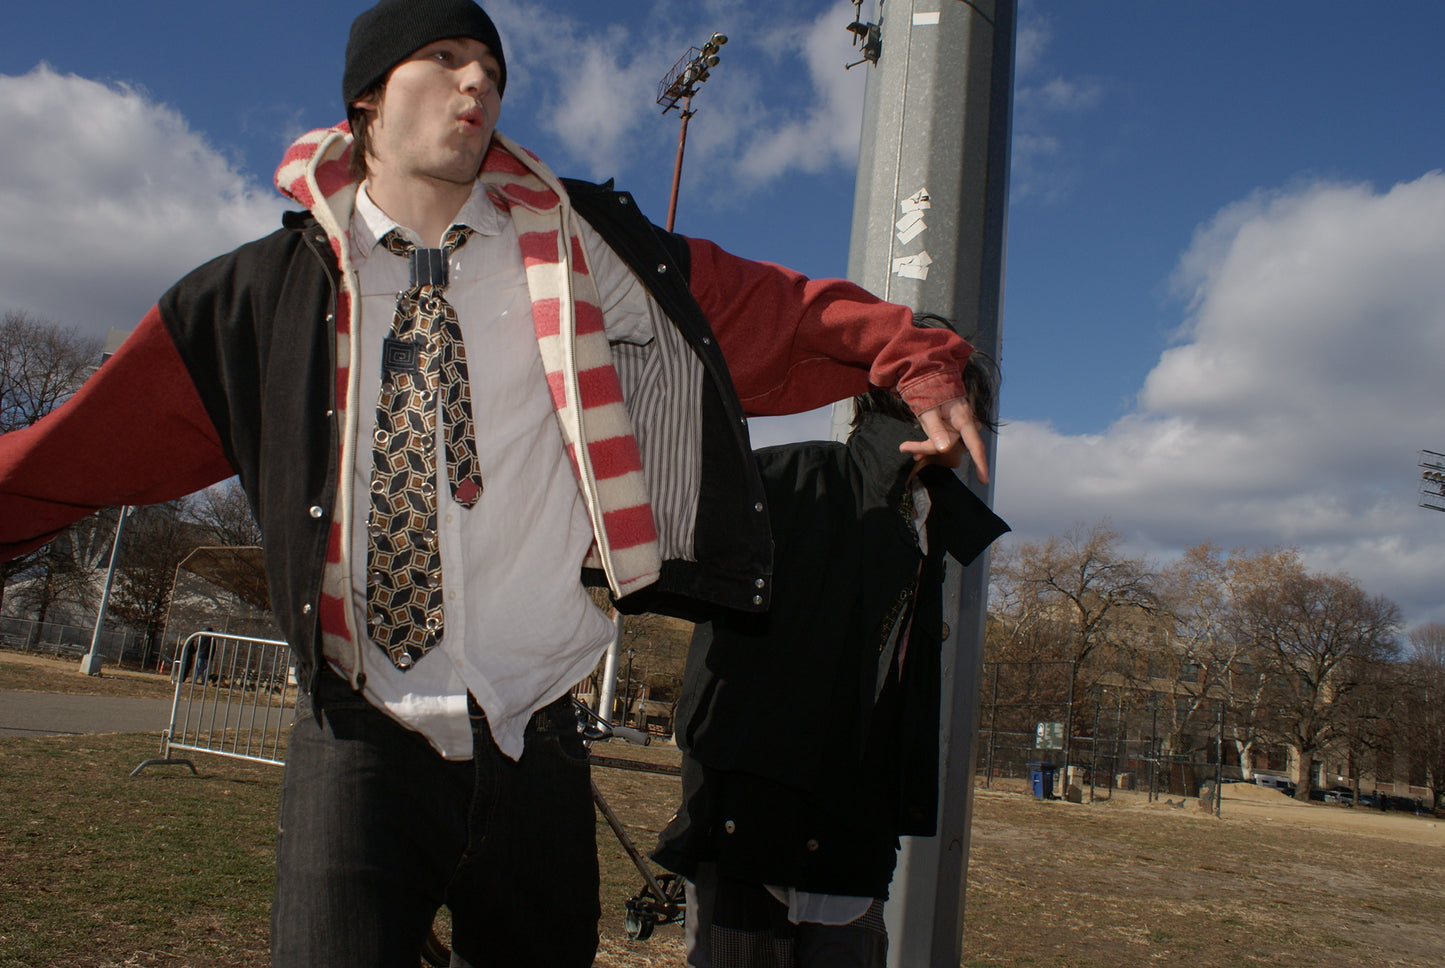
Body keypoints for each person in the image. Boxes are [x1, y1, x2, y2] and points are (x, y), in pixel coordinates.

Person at [0, 2, 990, 965]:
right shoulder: (260, 295)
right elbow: (76, 449)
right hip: (361, 729)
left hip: (537, 734)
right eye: (441, 57)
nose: (477, 79)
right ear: (366, 102)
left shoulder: (590, 254)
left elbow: (785, 312)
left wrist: (916, 355)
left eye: (493, 67)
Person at [653, 358, 1008, 968]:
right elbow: (643, 570)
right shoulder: (784, 480)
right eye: (961, 398)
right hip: (750, 824)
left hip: (855, 833)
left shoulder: (932, 520)